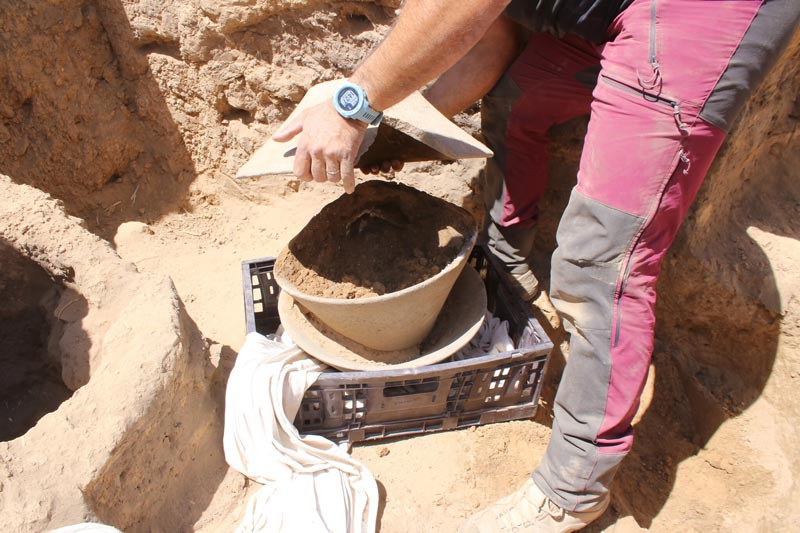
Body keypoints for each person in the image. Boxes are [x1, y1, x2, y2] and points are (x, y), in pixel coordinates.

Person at [273, 1, 800, 531]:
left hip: (699, 15)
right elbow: (488, 42)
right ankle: (507, 267)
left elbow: (463, 7)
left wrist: (352, 106)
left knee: (598, 260)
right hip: (615, 17)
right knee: (516, 97)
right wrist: (391, 131)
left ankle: (573, 488)